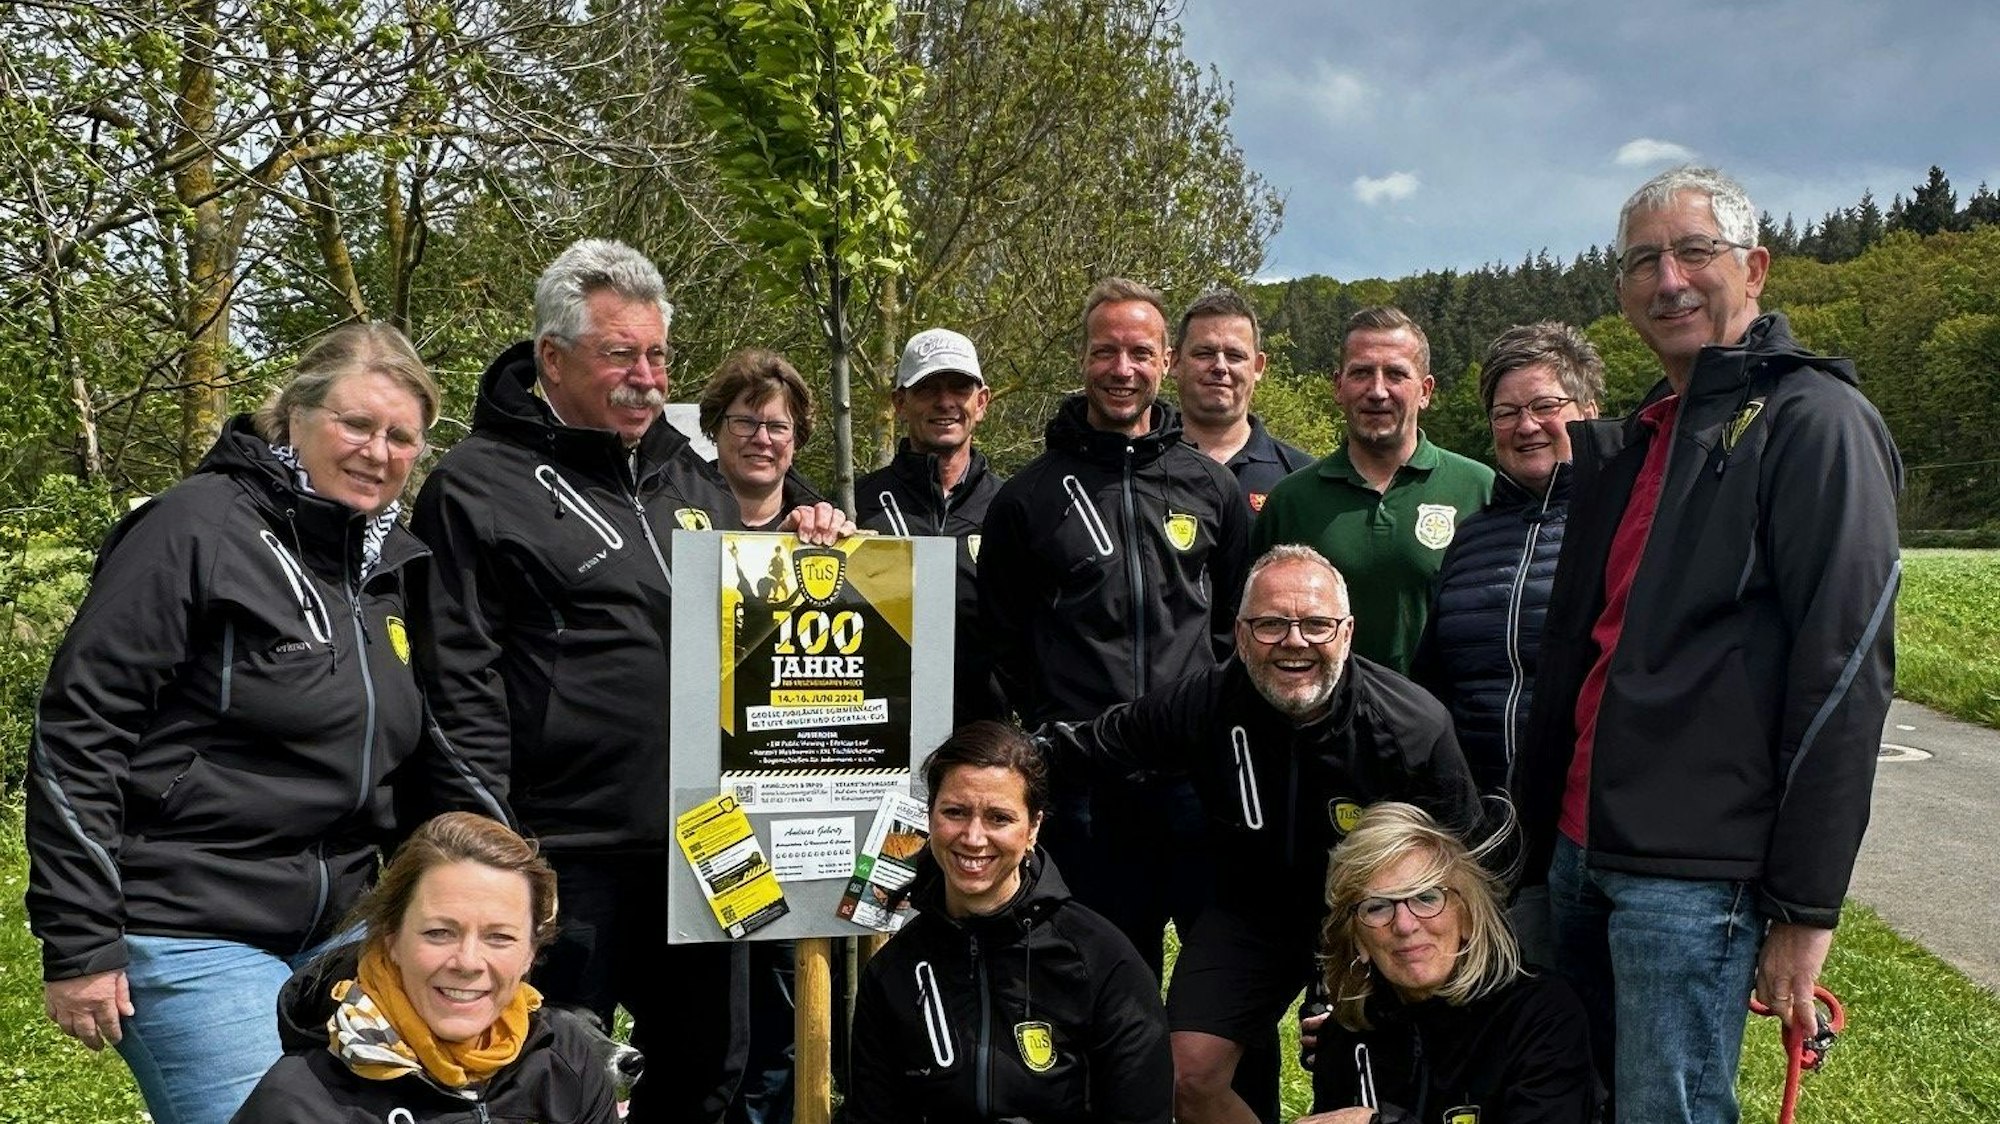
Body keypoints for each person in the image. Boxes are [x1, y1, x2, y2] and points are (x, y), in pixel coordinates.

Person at [411, 239, 850, 1122]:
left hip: (707, 843)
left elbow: (755, 640)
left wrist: (814, 543)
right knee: (544, 1078)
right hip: (561, 854)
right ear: (552, 357)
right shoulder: (475, 486)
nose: (646, 379)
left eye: (657, 356)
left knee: (710, 1071)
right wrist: (492, 855)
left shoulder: (692, 479)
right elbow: (458, 684)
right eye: (620, 354)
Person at [27, 323, 501, 1124]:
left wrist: (490, 889)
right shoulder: (194, 529)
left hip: (342, 925)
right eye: (356, 424)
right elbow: (80, 731)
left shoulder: (391, 562)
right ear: (293, 415)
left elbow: (427, 749)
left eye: (401, 438)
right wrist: (79, 939)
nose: (377, 452)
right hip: (190, 921)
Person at [1514, 165, 1901, 1124]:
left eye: (1695, 252)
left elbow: (1845, 676)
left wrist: (1805, 908)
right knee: (1574, 1103)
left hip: (1691, 877)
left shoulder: (1816, 423)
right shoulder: (1644, 437)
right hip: (1577, 847)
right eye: (1643, 262)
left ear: (1754, 268)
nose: (1669, 280)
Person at [1041, 544, 1483, 1124]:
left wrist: (1387, 971)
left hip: (1369, 922)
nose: (1294, 642)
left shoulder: (1412, 726)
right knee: (1184, 1075)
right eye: (1271, 624)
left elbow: (1461, 869)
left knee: (1355, 1081)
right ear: (1240, 634)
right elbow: (1098, 744)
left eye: (1316, 625)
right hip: (1251, 913)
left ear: (1347, 633)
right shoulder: (1207, 698)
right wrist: (982, 775)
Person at [977, 276, 1250, 985]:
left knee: (1220, 995)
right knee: (1102, 990)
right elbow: (1003, 637)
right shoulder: (1027, 498)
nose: (1121, 369)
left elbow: (1234, 628)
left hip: (1196, 785)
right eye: (1105, 352)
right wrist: (1057, 725)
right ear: (1083, 359)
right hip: (1086, 792)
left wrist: (1203, 717)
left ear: (1166, 361)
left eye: (1139, 353)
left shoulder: (1211, 487)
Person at [846, 722, 1174, 1124]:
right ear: (930, 817)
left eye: (998, 818)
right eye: (955, 812)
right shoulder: (893, 971)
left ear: (1033, 828)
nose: (973, 837)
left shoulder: (1103, 962)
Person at [231, 812, 620, 1122]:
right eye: (439, 933)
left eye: (499, 937)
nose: (468, 962)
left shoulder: (566, 1062)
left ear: (530, 953)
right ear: (391, 940)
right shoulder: (301, 1102)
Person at [1298, 802, 1594, 1124]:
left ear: (1466, 917)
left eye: (1426, 898)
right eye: (1378, 906)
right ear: (1358, 938)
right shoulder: (1348, 1032)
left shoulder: (1540, 1016)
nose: (1405, 924)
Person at [1409, 322, 1603, 796]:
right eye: (1506, 413)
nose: (1526, 425)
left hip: (1588, 813)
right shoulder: (1469, 539)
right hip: (1478, 812)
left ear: (1589, 412)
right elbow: (1433, 682)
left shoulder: (1622, 523)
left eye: (1545, 406)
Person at [1252, 306, 1493, 674]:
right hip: (1323, 709)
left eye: (1396, 374)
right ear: (1338, 386)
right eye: (1361, 373)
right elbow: (1257, 626)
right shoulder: (1290, 500)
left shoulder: (1478, 488)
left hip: (1444, 709)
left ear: (1425, 390)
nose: (1377, 391)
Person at [855, 327, 1007, 726]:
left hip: (983, 737)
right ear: (900, 403)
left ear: (981, 402)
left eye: (959, 388)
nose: (945, 402)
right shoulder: (855, 505)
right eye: (927, 389)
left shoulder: (1013, 506)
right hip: (878, 732)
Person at [1170, 288, 1314, 514]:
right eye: (1204, 353)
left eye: (1235, 356)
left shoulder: (1302, 478)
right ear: (1175, 362)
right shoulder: (1137, 467)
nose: (1220, 367)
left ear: (1258, 367)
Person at [699, 348, 826, 532]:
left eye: (777, 427)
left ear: (797, 437)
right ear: (715, 426)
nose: (762, 439)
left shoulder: (823, 530)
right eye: (745, 423)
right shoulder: (668, 514)